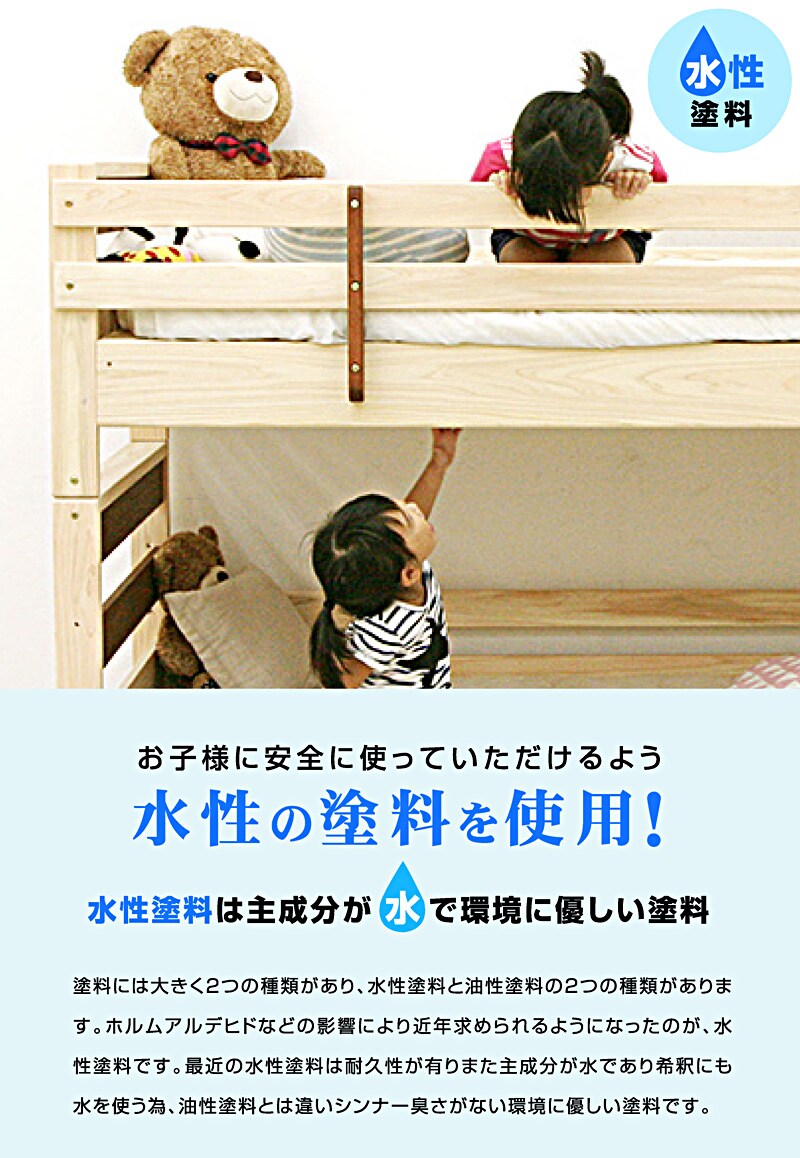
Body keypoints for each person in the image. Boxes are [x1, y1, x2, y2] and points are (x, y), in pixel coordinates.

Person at [472, 50, 667, 264]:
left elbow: (663, 208)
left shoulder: (633, 161)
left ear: (605, 162)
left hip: (605, 237)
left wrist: (639, 182)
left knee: (605, 261)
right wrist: (496, 184)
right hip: (528, 236)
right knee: (523, 259)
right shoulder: (501, 158)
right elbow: (472, 204)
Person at [310, 429, 461, 688]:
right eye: (409, 518)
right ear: (409, 573)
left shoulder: (401, 565)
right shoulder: (385, 628)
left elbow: (405, 528)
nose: (414, 508)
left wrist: (438, 463)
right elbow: (343, 682)